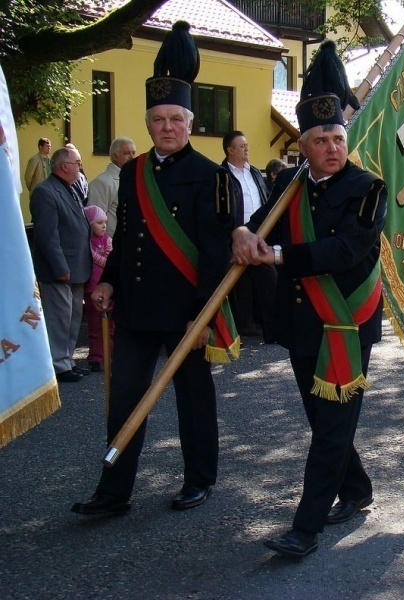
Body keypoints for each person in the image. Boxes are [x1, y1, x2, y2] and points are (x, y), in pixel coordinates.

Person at [71, 21, 236, 517]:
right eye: (158, 118)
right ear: (148, 123)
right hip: (138, 308)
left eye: (175, 118)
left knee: (193, 398)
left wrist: (204, 316)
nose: (167, 127)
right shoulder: (135, 171)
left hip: (186, 310)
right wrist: (109, 283)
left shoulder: (213, 176)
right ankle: (113, 491)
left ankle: (199, 479)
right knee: (123, 399)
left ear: (189, 122)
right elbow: (126, 239)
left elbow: (217, 255)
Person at [232, 40, 386, 559]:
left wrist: (274, 256)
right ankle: (358, 488)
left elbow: (344, 251)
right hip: (302, 322)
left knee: (332, 425)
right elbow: (258, 224)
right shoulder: (290, 185)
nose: (332, 148)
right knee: (324, 422)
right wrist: (241, 233)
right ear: (304, 142)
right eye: (321, 140)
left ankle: (307, 527)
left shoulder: (369, 188)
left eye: (338, 138)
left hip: (346, 324)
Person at [29, 146, 92, 383]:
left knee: (73, 316)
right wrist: (59, 267)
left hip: (77, 266)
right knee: (59, 318)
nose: (80, 166)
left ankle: (68, 359)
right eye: (77, 162)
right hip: (60, 268)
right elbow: (47, 235)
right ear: (64, 166)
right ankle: (58, 364)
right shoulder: (45, 191)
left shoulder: (71, 187)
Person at [222, 130, 277, 342]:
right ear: (230, 150)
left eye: (246, 145)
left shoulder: (254, 172)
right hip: (235, 237)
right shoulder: (221, 174)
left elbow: (265, 200)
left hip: (260, 235)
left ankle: (271, 323)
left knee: (269, 279)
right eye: (242, 145)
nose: (246, 148)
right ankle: (245, 325)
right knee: (240, 283)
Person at [83, 205, 113, 372]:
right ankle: (96, 357)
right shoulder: (85, 242)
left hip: (106, 288)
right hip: (90, 289)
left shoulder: (107, 241)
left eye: (105, 222)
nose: (103, 226)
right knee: (94, 325)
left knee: (110, 325)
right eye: (99, 222)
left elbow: (106, 262)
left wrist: (92, 254)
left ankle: (112, 353)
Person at [87, 136, 137, 237]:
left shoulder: (133, 179)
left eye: (133, 153)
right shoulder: (102, 182)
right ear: (115, 156)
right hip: (111, 248)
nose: (132, 157)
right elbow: (94, 221)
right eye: (127, 153)